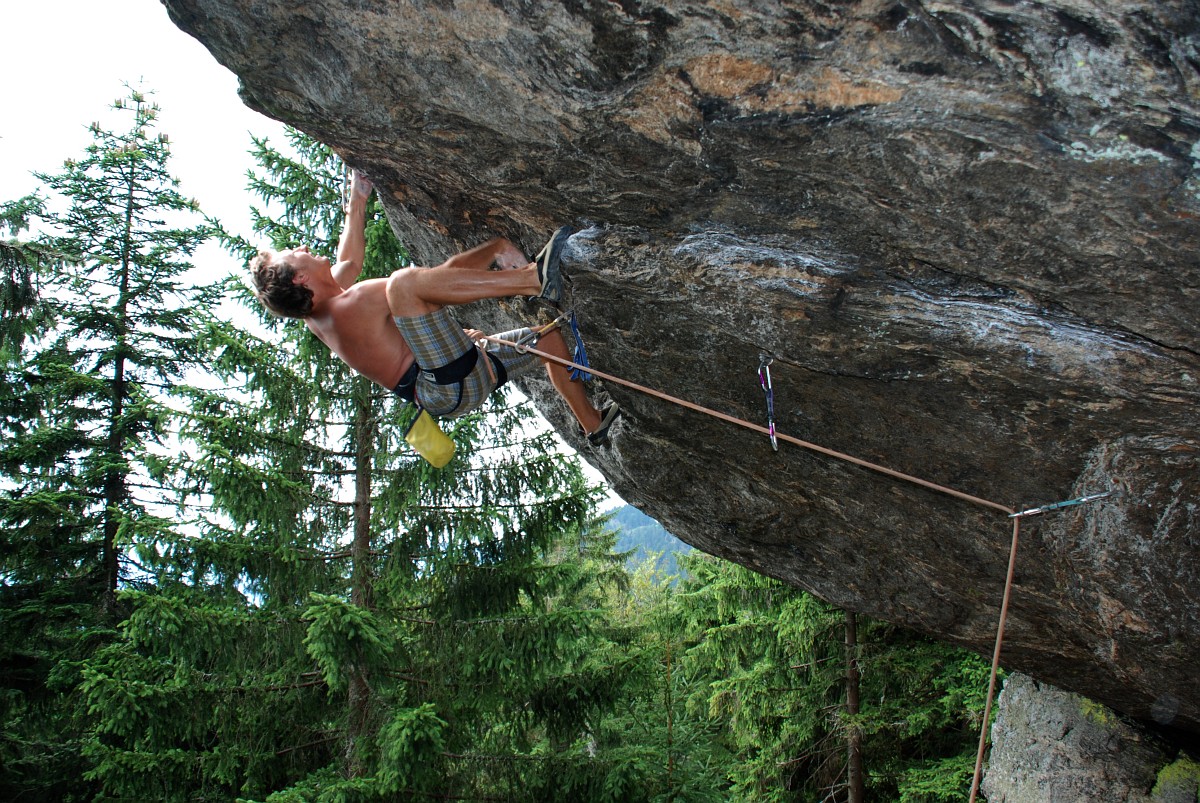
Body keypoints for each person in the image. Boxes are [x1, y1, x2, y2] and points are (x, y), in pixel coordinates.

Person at [248, 170, 620, 447]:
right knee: (403, 283)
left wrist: (358, 197)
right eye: (294, 255)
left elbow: (349, 259)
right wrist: (493, 250)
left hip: (454, 378)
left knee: (546, 339)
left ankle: (592, 424)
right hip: (446, 383)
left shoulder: (324, 311)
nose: (303, 249)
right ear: (299, 278)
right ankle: (532, 280)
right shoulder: (353, 304)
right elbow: (437, 281)